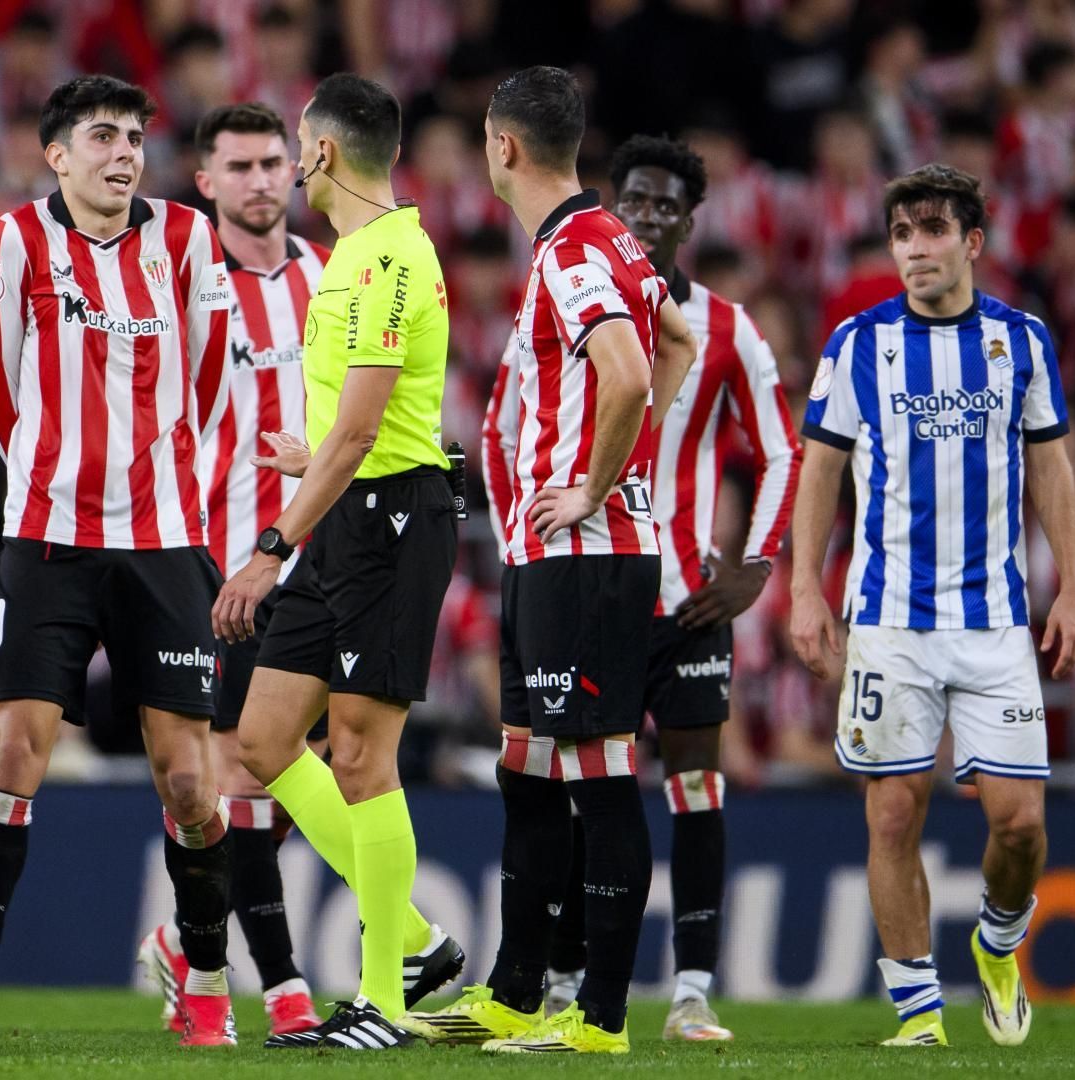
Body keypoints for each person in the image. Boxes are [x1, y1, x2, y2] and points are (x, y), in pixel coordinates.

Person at [408, 68, 692, 1055]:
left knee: (600, 775)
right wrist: (626, 459)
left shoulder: (573, 251)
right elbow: (678, 340)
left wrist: (598, 484)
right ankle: (514, 992)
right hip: (551, 555)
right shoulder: (610, 238)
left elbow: (629, 371)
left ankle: (602, 1017)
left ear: (504, 146)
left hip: (586, 552)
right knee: (526, 768)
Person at [0, 75, 236, 1050]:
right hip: (48, 537)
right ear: (57, 155)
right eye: (103, 136)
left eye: (135, 138)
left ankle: (205, 981)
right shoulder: (12, 242)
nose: (124, 154)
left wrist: (157, 478)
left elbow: (207, 381)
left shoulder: (188, 240)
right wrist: (59, 472)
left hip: (165, 542)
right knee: (11, 754)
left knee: (188, 780)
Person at [788, 164, 1075, 1048]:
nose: (914, 248)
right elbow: (822, 467)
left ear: (972, 242)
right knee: (892, 812)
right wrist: (805, 587)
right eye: (901, 234)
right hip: (888, 621)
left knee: (1020, 826)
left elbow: (1050, 463)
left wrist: (1074, 584)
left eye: (931, 230)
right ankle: (919, 1016)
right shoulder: (857, 342)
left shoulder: (1021, 341)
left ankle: (998, 941)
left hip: (994, 621)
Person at [214, 72, 464, 1051]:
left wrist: (269, 549)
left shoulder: (387, 258)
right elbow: (352, 430)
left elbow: (363, 434)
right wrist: (310, 459)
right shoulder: (352, 254)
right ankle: (415, 939)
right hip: (350, 513)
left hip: (391, 520)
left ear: (320, 152)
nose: (293, 164)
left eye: (296, 146)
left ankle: (384, 1002)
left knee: (360, 754)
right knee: (265, 739)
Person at [541, 133, 803, 1041]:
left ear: (691, 222)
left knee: (697, 790)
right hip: (595, 592)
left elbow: (782, 452)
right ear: (613, 207)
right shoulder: (576, 299)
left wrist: (755, 568)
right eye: (636, 201)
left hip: (689, 602)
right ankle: (567, 980)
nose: (650, 217)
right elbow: (517, 427)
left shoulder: (729, 329)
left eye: (667, 205)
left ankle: (692, 992)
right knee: (587, 793)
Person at [134, 101, 326, 1039]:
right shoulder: (183, 280)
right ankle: (285, 990)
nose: (258, 180)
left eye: (270, 163)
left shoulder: (327, 277)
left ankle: (184, 934)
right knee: (241, 784)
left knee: (302, 783)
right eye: (238, 167)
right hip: (216, 570)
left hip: (314, 568)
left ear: (294, 170)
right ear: (205, 181)